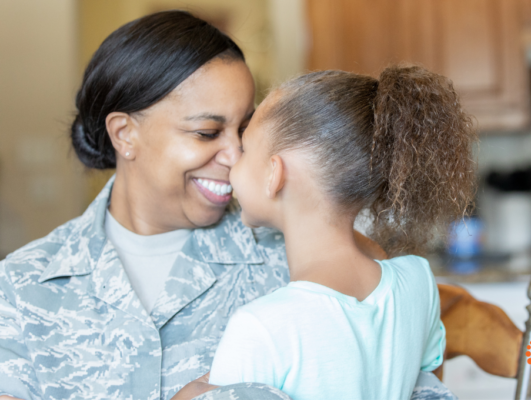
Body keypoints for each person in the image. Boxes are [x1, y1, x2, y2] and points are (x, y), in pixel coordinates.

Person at [0, 10, 458, 400]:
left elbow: (411, 382)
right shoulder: (21, 288)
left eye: (244, 130)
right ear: (125, 134)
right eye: (206, 132)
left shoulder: (309, 256)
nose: (237, 157)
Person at [207, 67, 477, 400]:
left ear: (274, 174)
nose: (231, 160)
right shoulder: (418, 280)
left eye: (245, 149)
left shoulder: (260, 329)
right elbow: (429, 383)